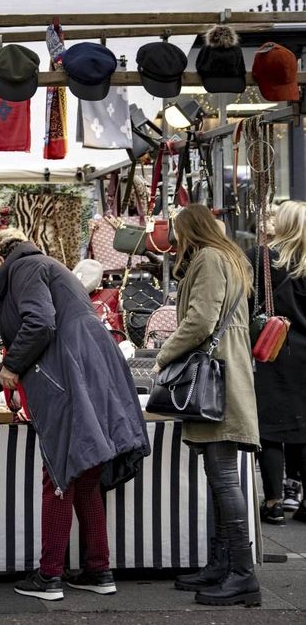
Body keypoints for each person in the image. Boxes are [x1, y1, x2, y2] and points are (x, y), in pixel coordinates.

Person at [0, 229, 150, 602]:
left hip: (67, 375)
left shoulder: (24, 268)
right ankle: (98, 569)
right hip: (91, 367)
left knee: (59, 473)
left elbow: (39, 323)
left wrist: (10, 366)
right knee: (86, 475)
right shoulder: (49, 266)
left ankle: (50, 575)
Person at [157, 205, 260, 606]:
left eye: (176, 233)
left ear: (189, 231)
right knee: (222, 476)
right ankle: (224, 565)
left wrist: (164, 354)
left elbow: (200, 321)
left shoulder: (209, 259)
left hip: (219, 380)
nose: (174, 241)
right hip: (227, 374)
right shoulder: (228, 257)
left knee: (223, 477)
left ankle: (241, 574)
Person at [251, 201, 306, 526]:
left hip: (273, 350)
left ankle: (272, 501)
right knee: (304, 428)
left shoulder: (262, 257)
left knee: (270, 430)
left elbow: (246, 299)